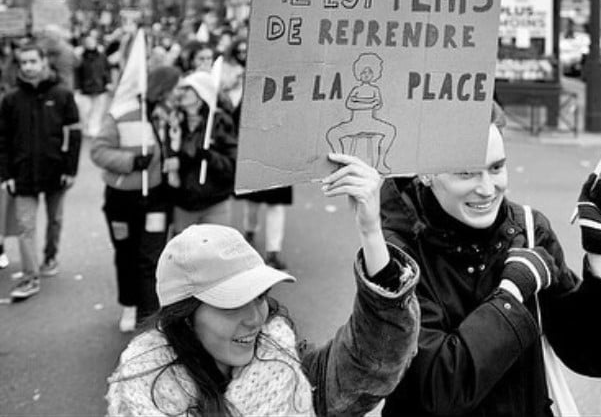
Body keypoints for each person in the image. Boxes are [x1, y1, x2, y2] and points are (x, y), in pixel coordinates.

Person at [107, 153, 421, 416]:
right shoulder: (141, 393)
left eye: (260, 297)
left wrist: (370, 230)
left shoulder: (289, 367)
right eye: (232, 304)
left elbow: (372, 361)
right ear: (184, 317)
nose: (256, 318)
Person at [379, 104, 601, 416]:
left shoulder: (529, 230)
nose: (487, 189)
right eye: (466, 172)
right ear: (427, 173)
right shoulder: (396, 253)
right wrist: (511, 295)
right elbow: (438, 390)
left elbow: (592, 356)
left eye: (497, 167)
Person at [90, 68, 178, 331]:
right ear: (162, 88)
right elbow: (98, 151)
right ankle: (129, 304)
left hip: (156, 199)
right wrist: (130, 162)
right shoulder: (121, 114)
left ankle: (150, 314)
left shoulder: (170, 116)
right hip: (121, 201)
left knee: (151, 256)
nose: (179, 92)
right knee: (126, 253)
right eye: (175, 87)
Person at [0, 44, 82, 299]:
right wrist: (6, 175)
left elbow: (75, 133)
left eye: (33, 61)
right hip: (22, 174)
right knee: (26, 227)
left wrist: (70, 169)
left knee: (55, 220)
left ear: (43, 61)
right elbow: (2, 140)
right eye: (23, 62)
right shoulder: (11, 99)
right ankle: (29, 277)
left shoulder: (62, 94)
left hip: (56, 171)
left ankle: (50, 257)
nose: (28, 66)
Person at [166, 71, 237, 233]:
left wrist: (210, 157)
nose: (181, 93)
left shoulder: (219, 122)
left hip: (215, 204)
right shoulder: (173, 121)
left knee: (214, 254)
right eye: (181, 89)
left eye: (188, 89)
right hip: (183, 204)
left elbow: (233, 165)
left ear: (201, 93)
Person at [75, 31, 111, 137]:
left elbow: (106, 70)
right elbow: (77, 73)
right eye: (88, 42)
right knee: (85, 110)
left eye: (92, 42)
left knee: (97, 110)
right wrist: (77, 87)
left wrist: (108, 82)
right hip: (85, 88)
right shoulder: (80, 57)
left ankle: (94, 128)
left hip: (99, 87)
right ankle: (85, 127)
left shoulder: (102, 56)